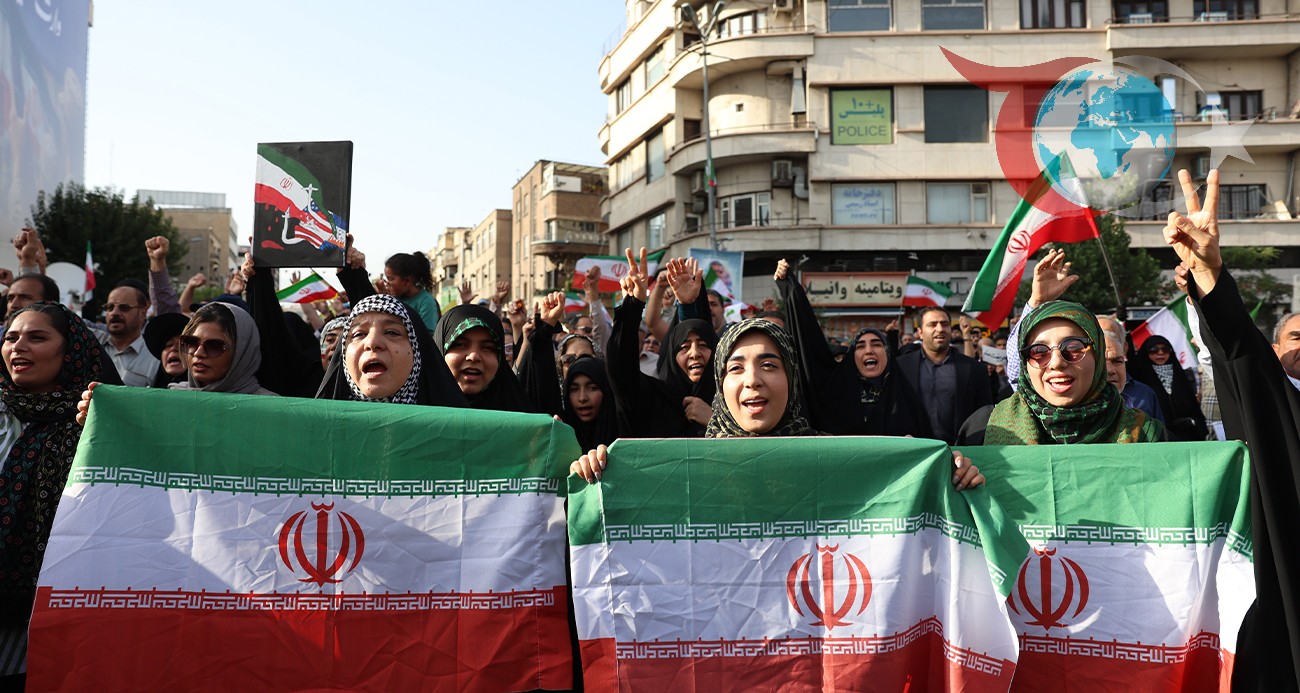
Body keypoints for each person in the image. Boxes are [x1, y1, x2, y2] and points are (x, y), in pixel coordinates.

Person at [1166, 168, 1300, 691]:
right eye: (1296, 336)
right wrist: (1209, 276)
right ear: (1276, 347)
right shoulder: (1279, 411)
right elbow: (1243, 357)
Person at [0, 302, 121, 682]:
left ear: (70, 352)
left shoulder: (94, 427)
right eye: (10, 338)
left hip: (58, 626)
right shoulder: (4, 417)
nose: (18, 347)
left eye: (37, 338)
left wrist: (106, 429)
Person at [774, 258, 931, 437]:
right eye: (860, 346)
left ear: (888, 353)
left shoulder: (907, 396)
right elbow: (809, 343)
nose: (869, 350)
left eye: (877, 344)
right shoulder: (835, 395)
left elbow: (928, 440)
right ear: (851, 357)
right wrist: (790, 288)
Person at [981, 300, 1162, 445]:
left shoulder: (1145, 432)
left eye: (1073, 347)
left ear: (1098, 356)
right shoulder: (986, 426)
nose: (1056, 363)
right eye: (1038, 351)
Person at [606, 249, 717, 439]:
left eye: (703, 345)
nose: (694, 353)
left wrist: (715, 422)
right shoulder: (652, 398)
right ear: (671, 356)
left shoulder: (732, 401)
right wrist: (633, 307)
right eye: (684, 347)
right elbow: (621, 369)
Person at [316, 294, 466, 407]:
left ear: (417, 351)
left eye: (392, 332)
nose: (372, 343)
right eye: (359, 334)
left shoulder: (457, 431)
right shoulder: (317, 427)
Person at [895, 306, 993, 444]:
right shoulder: (901, 367)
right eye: (932, 324)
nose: (940, 329)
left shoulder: (974, 369)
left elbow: (984, 414)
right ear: (920, 332)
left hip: (962, 451)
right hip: (914, 450)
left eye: (944, 324)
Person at [167, 302, 277, 395]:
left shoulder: (272, 408)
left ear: (241, 354)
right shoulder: (172, 398)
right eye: (191, 342)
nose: (198, 353)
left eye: (214, 346)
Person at [1128, 334, 1207, 441]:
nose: (1160, 353)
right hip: (1156, 438)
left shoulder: (1181, 376)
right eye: (1154, 350)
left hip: (1187, 437)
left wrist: (1192, 422)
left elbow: (1195, 409)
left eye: (1165, 349)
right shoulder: (1140, 375)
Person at [95, 279, 160, 387]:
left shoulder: (155, 357)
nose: (115, 313)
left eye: (124, 307)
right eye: (109, 307)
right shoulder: (92, 344)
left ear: (143, 312)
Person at [560, 354, 624, 452]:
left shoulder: (623, 433)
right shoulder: (559, 441)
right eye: (574, 389)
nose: (582, 398)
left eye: (592, 388)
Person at [382, 252, 441, 332]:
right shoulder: (392, 299)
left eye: (391, 279)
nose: (387, 284)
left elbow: (427, 333)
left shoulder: (426, 301)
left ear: (407, 281)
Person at [143, 312, 189, 388]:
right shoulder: (147, 393)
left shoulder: (206, 393)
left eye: (182, 345)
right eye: (169, 345)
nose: (174, 348)